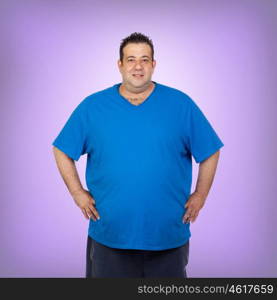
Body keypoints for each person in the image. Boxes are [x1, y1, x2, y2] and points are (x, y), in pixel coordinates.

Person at [52, 32, 224, 278]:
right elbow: (61, 149)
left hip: (167, 235)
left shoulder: (181, 105)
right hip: (110, 234)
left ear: (153, 65)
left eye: (144, 59)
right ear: (120, 65)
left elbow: (210, 150)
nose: (138, 66)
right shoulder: (93, 107)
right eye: (131, 59)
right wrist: (77, 192)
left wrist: (200, 194)